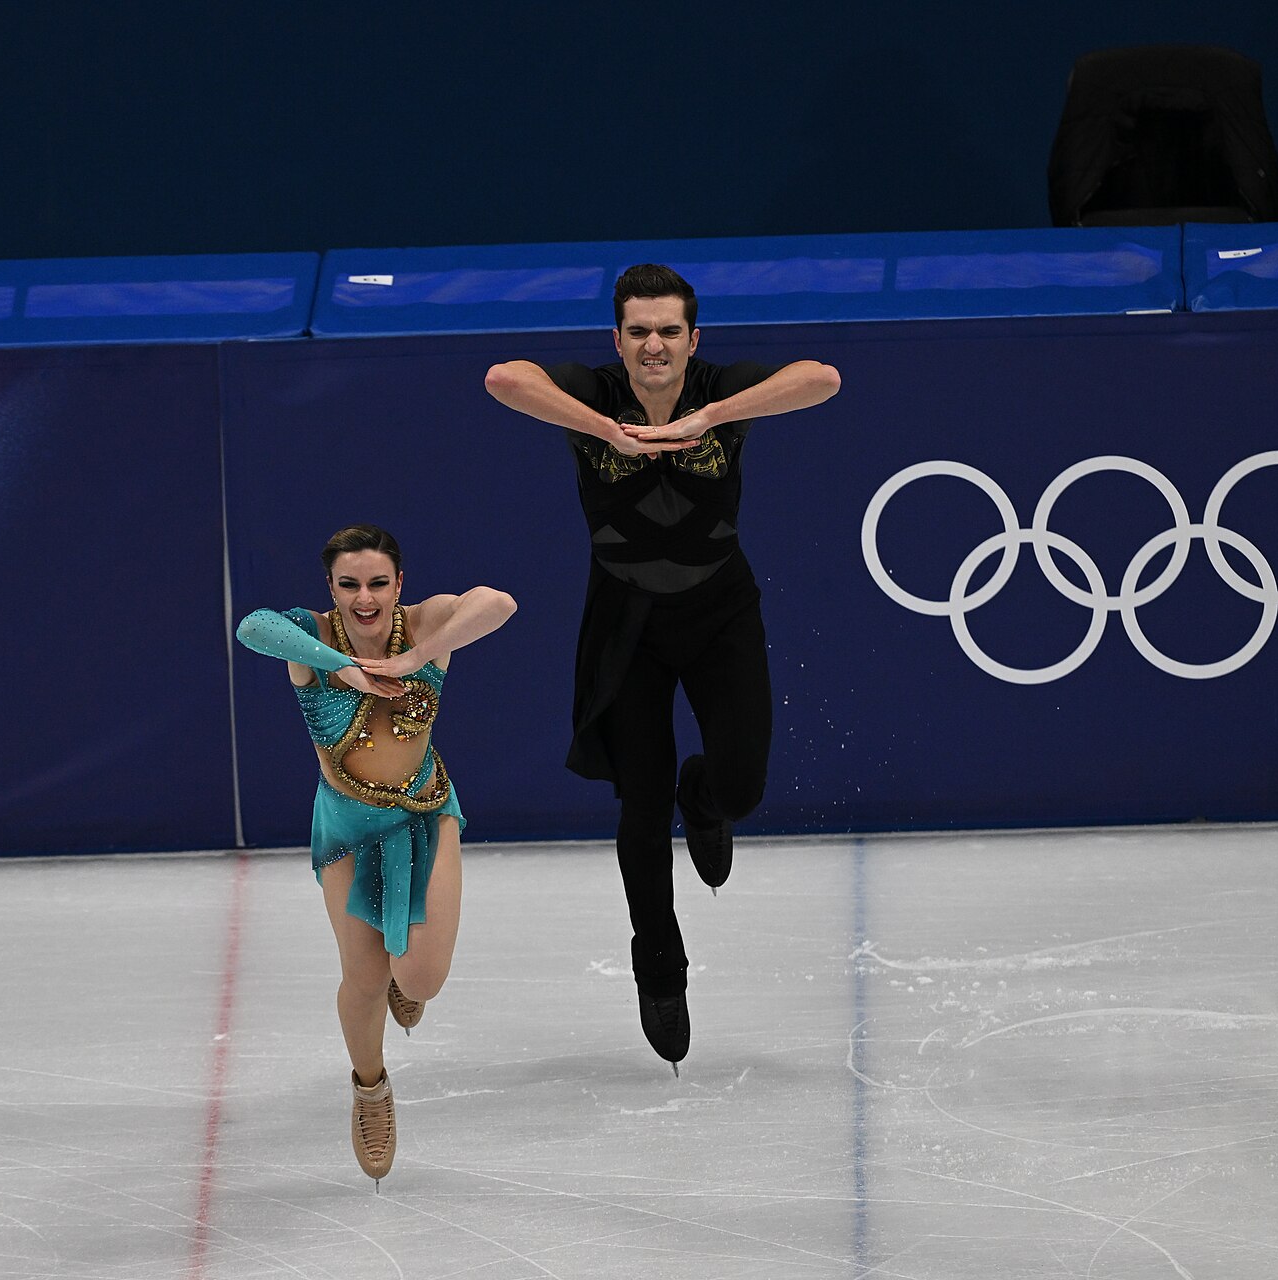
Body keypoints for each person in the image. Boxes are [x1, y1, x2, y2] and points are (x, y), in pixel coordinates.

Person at [483, 264, 840, 1072]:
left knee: (745, 782)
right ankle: (660, 964)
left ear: (693, 340)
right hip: (626, 623)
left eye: (668, 332)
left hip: (720, 612)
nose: (653, 345)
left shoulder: (719, 388)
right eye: (638, 331)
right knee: (638, 809)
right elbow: (504, 378)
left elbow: (823, 379)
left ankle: (705, 799)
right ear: (617, 340)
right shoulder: (593, 392)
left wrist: (713, 415)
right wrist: (604, 430)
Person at [235, 524, 516, 1186]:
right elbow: (254, 626)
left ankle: (404, 970)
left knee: (419, 981)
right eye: (350, 584)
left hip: (424, 810)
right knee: (362, 979)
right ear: (331, 589)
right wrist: (346, 669)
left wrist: (423, 655)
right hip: (346, 827)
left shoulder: (423, 625)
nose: (366, 599)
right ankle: (370, 1087)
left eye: (378, 583)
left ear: (399, 585)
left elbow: (498, 603)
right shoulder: (312, 639)